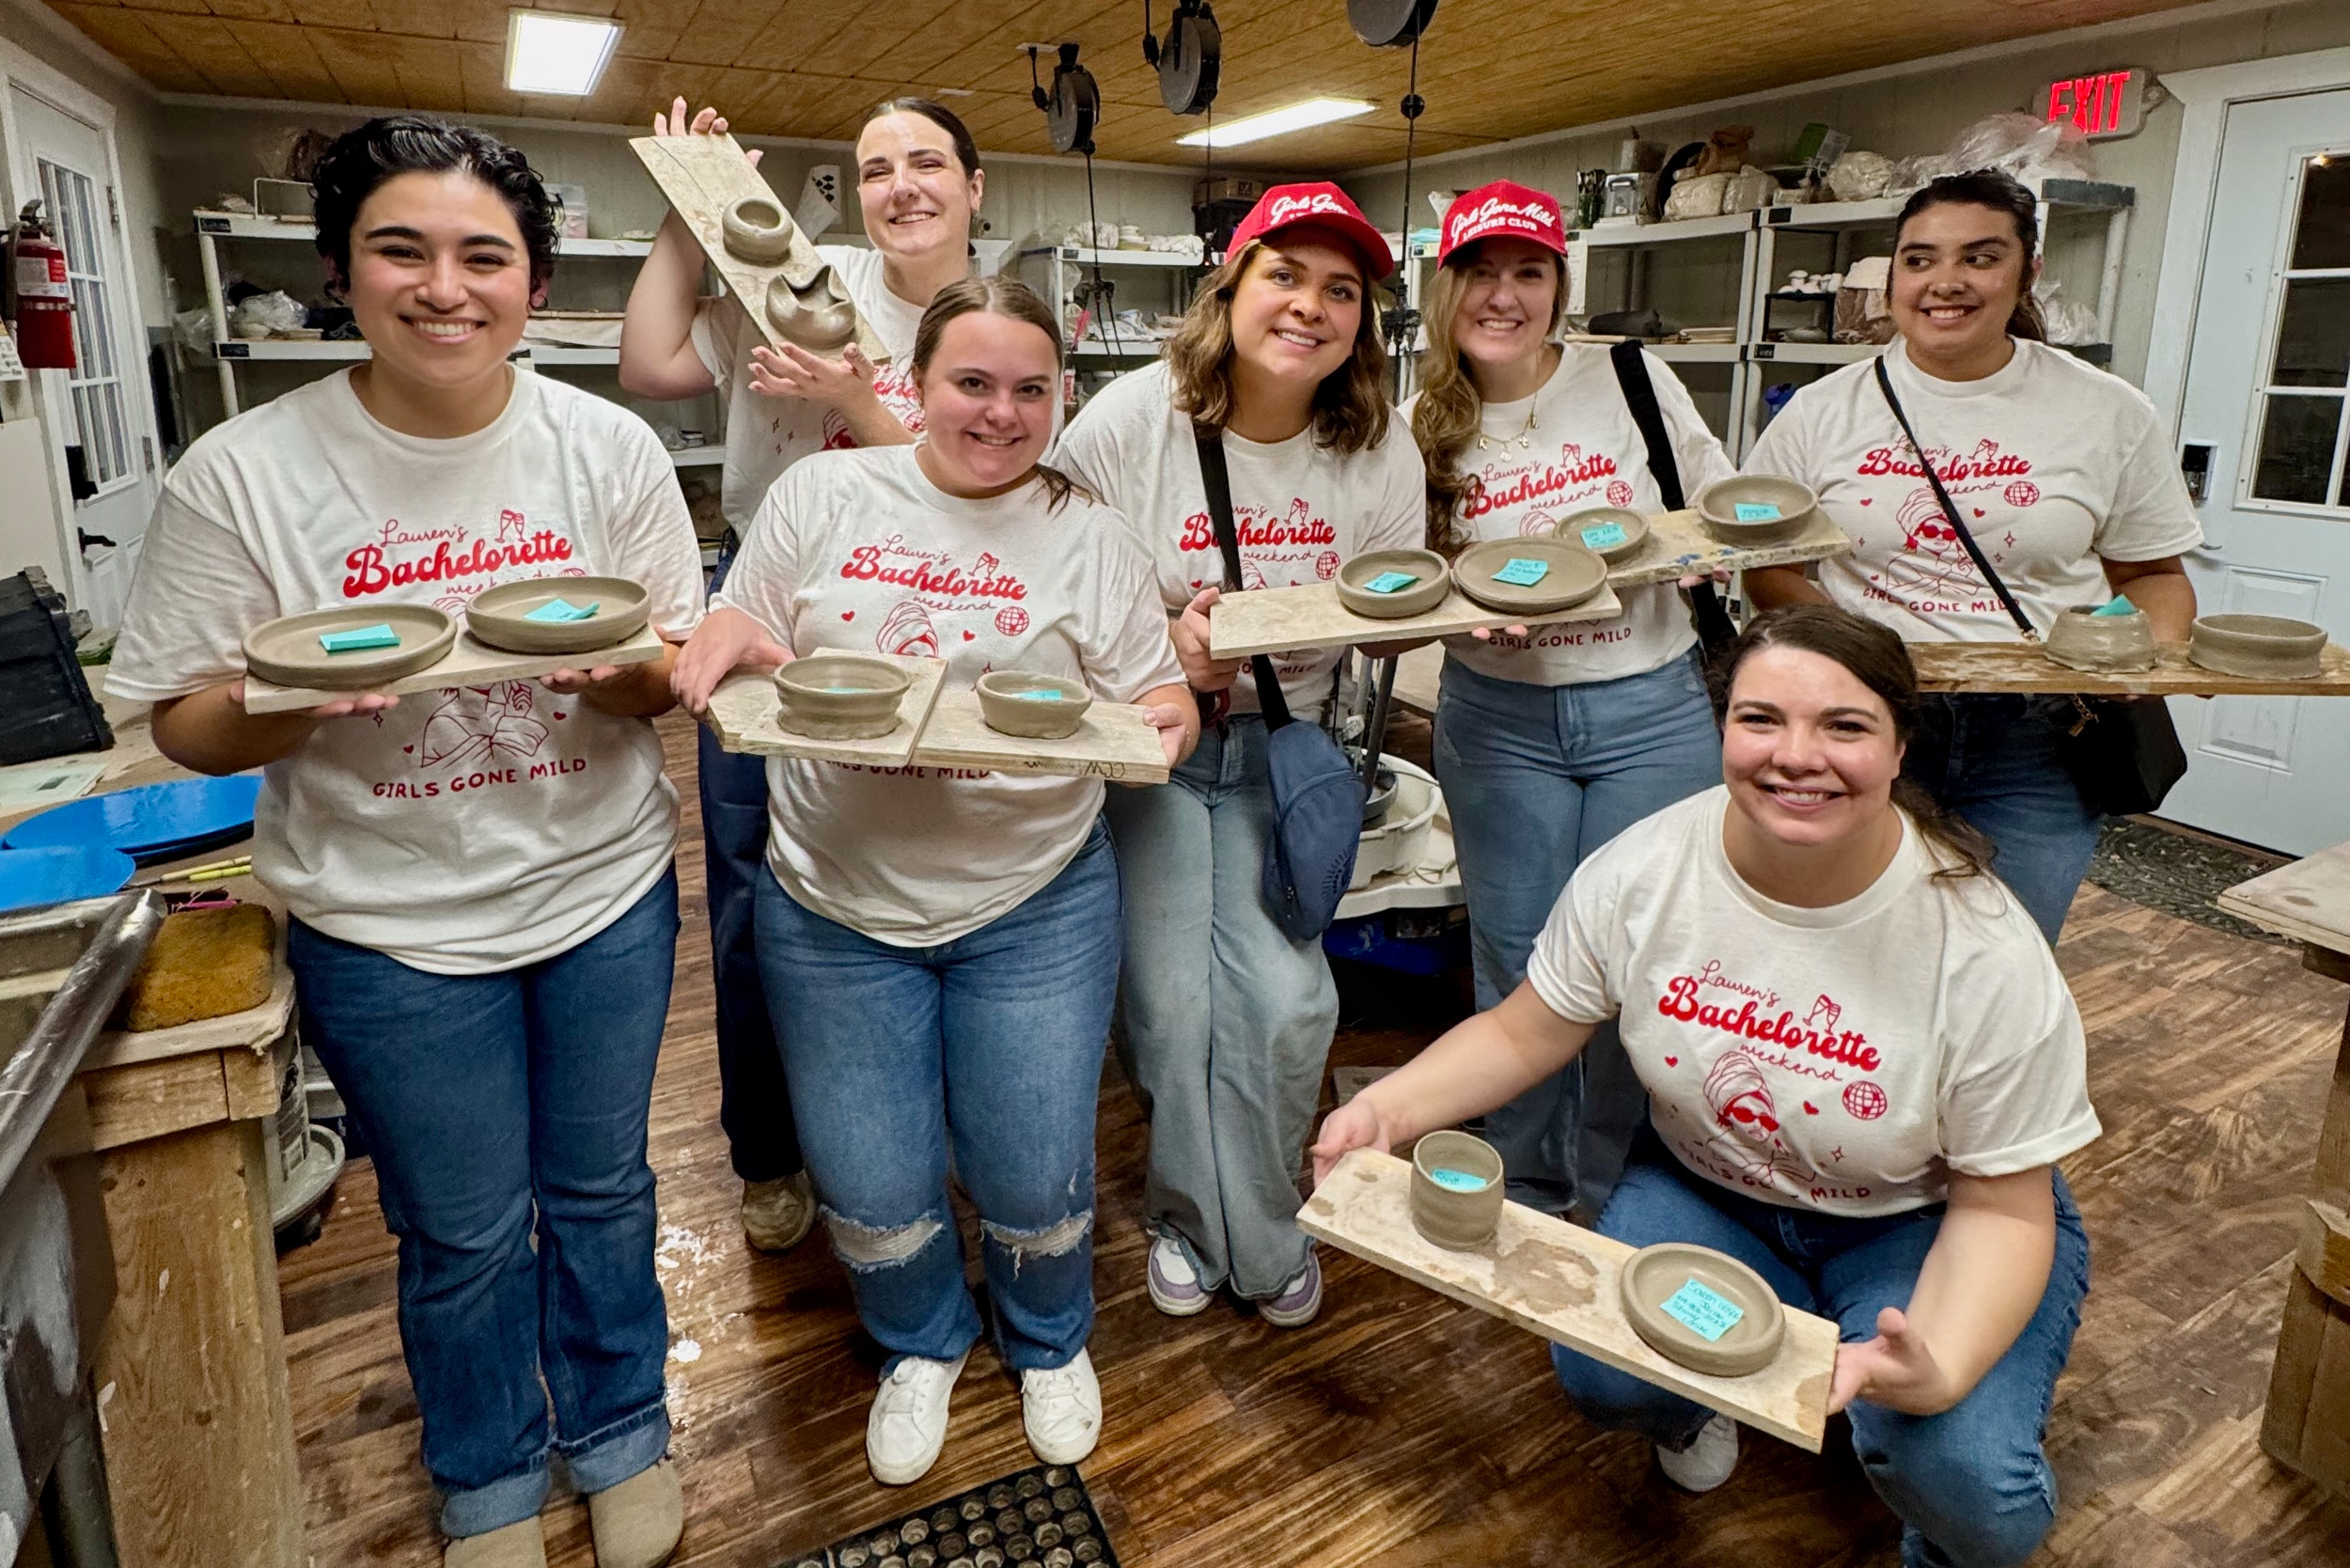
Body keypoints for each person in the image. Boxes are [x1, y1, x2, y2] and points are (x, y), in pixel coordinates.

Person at [105, 118, 703, 1568]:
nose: (446, 286)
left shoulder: (605, 445)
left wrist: (617, 673)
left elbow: (668, 664)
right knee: (465, 1228)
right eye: (401, 249)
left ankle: (623, 1433)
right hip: (387, 922)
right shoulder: (244, 472)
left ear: (534, 282)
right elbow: (177, 723)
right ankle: (490, 1473)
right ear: (337, 270)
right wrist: (284, 707)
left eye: (483, 255)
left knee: (607, 1189)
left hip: (600, 889)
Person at [1313, 604, 2099, 1568]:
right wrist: (1384, 1108)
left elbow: (2005, 1209)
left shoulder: (1980, 948)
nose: (1794, 757)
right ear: (1719, 727)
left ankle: (1931, 1528)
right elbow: (1525, 1031)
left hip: (1919, 1220)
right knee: (1607, 1373)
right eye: (1760, 719)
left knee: (1963, 1477)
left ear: (1899, 749)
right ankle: (1692, 1410)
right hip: (1710, 1191)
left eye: (1843, 727)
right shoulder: (1646, 869)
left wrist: (1938, 1368)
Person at [670, 275, 1195, 1487]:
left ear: (1060, 396)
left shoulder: (1091, 535)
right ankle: (920, 1343)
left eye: (1029, 389)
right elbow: (744, 623)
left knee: (1031, 1165)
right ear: (914, 385)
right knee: (869, 1177)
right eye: (972, 382)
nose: (1000, 414)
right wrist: (729, 638)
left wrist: (1163, 723)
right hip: (833, 903)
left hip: (1034, 905)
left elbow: (1156, 693)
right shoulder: (824, 493)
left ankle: (1048, 1339)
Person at [1054, 181, 1424, 1328]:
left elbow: (1396, 604)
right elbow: (1047, 562)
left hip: (1283, 753)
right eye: (1284, 275)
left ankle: (1265, 1230)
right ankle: (1185, 1217)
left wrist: (1395, 614)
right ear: (1232, 287)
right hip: (1158, 748)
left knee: (1282, 1002)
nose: (1308, 306)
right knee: (1169, 1004)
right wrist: (1160, 639)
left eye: (1341, 290)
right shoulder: (1132, 420)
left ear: (1362, 321)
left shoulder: (1375, 443)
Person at [619, 95, 985, 1252]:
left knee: (934, 874)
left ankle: (932, 1143)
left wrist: (847, 399)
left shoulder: (998, 322)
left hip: (935, 600)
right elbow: (649, 361)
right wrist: (691, 205)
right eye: (876, 167)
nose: (901, 187)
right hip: (771, 601)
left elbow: (982, 481)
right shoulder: (799, 284)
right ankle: (771, 1153)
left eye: (927, 162)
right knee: (748, 891)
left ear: (975, 186)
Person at [1741, 168, 2201, 944]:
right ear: (1892, 274)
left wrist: (2139, 656)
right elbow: (1769, 566)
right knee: (1844, 953)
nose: (1944, 283)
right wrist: (1855, 655)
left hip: (2039, 740)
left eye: (1979, 258)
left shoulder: (2105, 410)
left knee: (2003, 967)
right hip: (1866, 722)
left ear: (2029, 270)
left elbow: (2154, 575)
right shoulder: (1823, 413)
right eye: (1919, 259)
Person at [1405, 179, 1731, 1218]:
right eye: (1481, 274)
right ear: (1443, 286)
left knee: (1638, 950)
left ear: (1558, 285)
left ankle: (1619, 1185)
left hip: (1651, 706)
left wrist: (1689, 559)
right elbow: (1394, 569)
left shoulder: (1632, 378)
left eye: (1528, 273)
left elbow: (1715, 509)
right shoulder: (1414, 418)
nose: (1504, 296)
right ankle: (1529, 1179)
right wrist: (1454, 609)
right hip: (1501, 719)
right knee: (1516, 950)